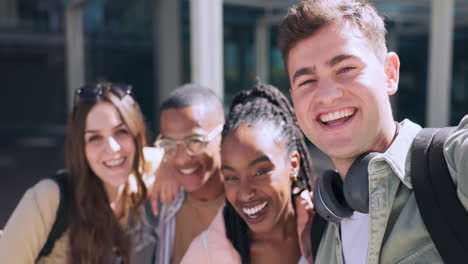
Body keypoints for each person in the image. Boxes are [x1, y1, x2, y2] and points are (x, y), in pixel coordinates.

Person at [278, 0, 468, 263]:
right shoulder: (319, 230)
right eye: (307, 81)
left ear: (389, 73)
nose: (328, 95)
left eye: (345, 69)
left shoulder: (454, 165)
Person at [0, 82, 156, 263]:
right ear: (80, 147)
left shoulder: (144, 179)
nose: (113, 148)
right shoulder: (49, 197)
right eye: (95, 137)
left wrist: (168, 169)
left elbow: (173, 154)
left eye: (121, 131)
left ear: (137, 135)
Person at [181, 81, 315, 264]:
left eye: (260, 172)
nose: (245, 192)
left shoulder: (330, 230)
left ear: (293, 164)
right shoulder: (206, 255)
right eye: (232, 177)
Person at [151, 84, 225, 264]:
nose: (182, 159)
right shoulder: (161, 196)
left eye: (195, 142)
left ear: (223, 135)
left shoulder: (247, 202)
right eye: (170, 144)